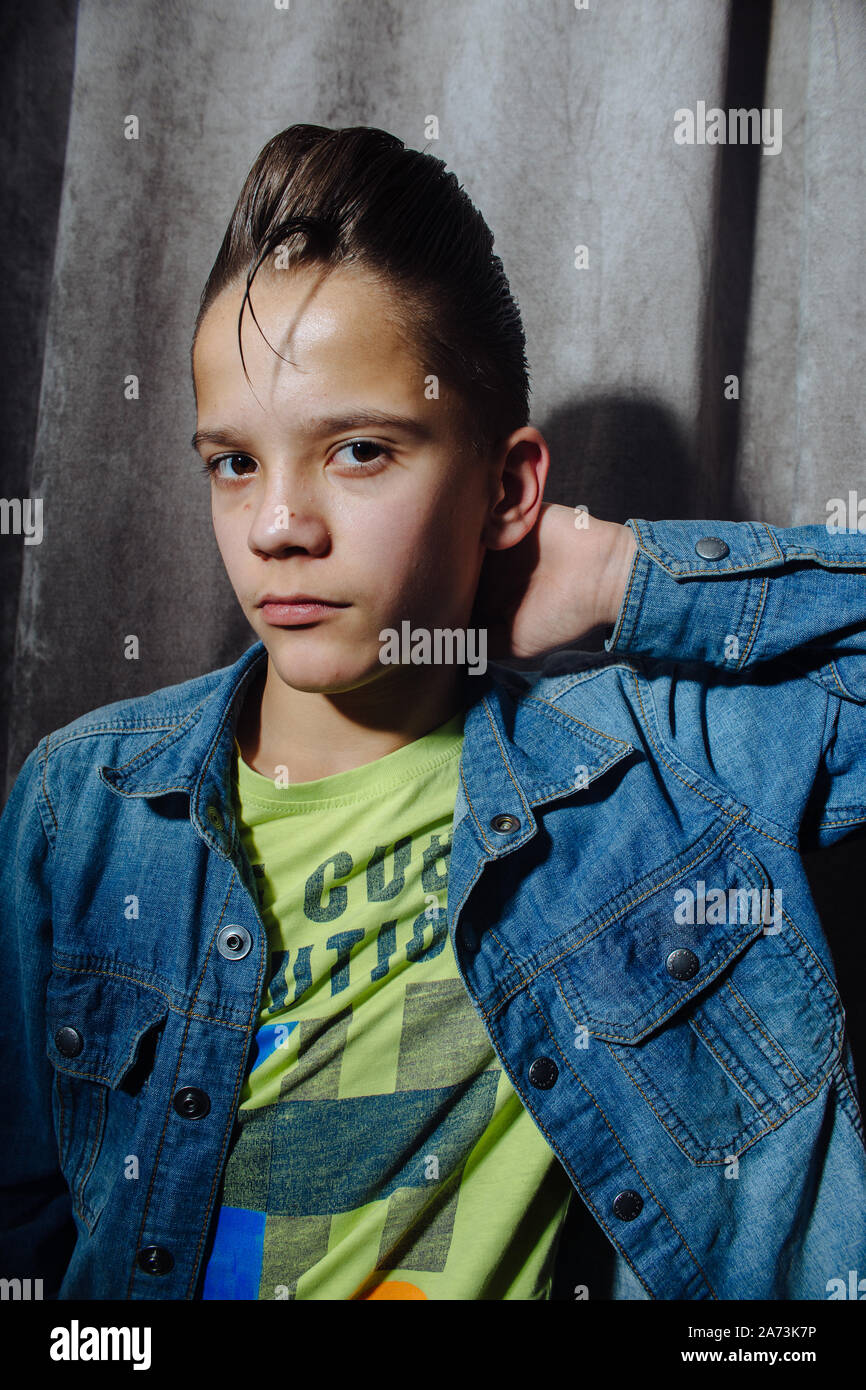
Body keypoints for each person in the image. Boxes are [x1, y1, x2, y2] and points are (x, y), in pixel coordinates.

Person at [1, 124, 864, 1302]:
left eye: (357, 451)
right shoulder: (81, 806)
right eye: (233, 462)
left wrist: (620, 576)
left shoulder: (660, 772)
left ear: (506, 484)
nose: (276, 527)